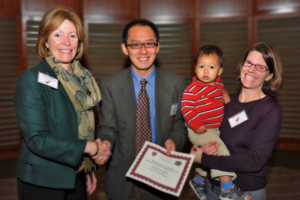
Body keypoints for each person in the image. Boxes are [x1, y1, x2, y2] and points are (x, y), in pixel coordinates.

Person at [14, 6, 110, 200]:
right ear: (46, 42)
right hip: (42, 181)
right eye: (58, 35)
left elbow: (80, 128)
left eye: (72, 36)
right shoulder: (31, 79)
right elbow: (37, 140)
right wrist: (90, 147)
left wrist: (87, 168)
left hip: (76, 174)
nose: (66, 42)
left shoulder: (83, 80)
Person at [96, 19, 188, 200]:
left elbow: (179, 123)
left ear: (157, 46)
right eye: (135, 45)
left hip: (162, 174)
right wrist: (106, 144)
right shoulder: (110, 86)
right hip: (123, 177)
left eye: (149, 44)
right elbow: (108, 127)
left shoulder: (176, 83)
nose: (143, 51)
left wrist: (174, 141)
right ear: (125, 48)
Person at [190, 43, 283, 200]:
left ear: (269, 76)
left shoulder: (269, 110)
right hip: (213, 186)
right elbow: (207, 131)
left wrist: (204, 159)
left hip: (245, 191)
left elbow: (254, 161)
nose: (251, 70)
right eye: (248, 63)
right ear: (242, 64)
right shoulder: (225, 101)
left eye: (260, 67)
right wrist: (203, 147)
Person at [181, 45, 251, 200]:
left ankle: (198, 181)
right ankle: (227, 189)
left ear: (219, 71)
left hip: (214, 130)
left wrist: (224, 94)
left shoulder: (218, 85)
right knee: (221, 154)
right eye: (201, 66)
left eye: (211, 67)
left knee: (210, 156)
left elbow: (222, 96)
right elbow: (186, 108)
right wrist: (196, 123)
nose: (205, 71)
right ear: (195, 69)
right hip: (200, 129)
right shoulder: (192, 89)